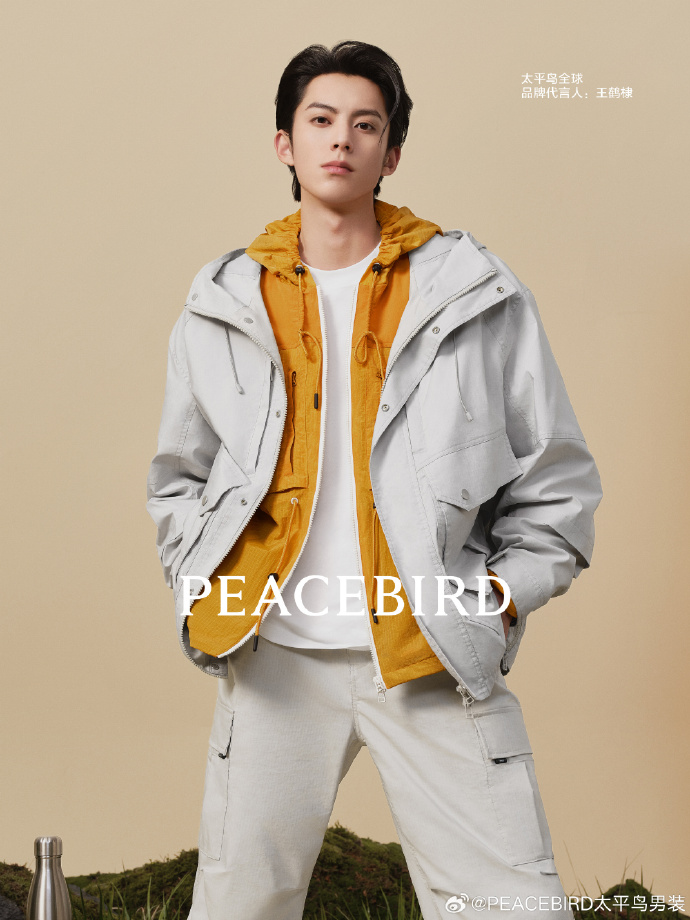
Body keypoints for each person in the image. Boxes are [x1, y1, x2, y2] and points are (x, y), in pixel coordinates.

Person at [146, 40, 602, 920]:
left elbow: (557, 477)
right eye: (321, 120)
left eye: (366, 124)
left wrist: (499, 598)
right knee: (240, 905)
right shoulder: (223, 301)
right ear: (285, 143)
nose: (341, 140)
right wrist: (201, 584)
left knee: (509, 906)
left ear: (391, 153)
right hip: (273, 657)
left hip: (426, 652)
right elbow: (179, 479)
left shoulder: (474, 292)